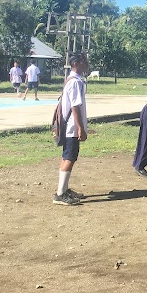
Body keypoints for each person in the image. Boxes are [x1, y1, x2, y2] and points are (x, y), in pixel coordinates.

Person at [53, 53, 89, 206]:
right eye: (84, 62)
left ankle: (64, 189)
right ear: (77, 64)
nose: (87, 65)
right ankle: (60, 194)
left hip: (70, 126)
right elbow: (75, 106)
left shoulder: (72, 80)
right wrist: (80, 128)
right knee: (70, 158)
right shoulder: (75, 82)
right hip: (71, 127)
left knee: (67, 156)